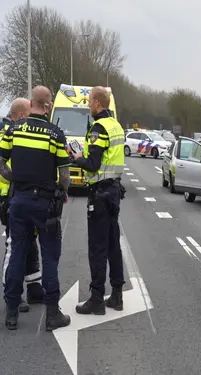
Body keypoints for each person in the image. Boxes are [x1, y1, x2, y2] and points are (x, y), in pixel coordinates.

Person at [0, 86, 71, 330]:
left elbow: (1, 163)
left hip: (18, 201)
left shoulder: (13, 130)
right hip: (45, 204)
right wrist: (61, 191)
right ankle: (52, 314)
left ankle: (11, 314)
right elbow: (64, 174)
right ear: (48, 105)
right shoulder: (55, 134)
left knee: (18, 252)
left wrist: (14, 179)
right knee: (50, 256)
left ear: (31, 103)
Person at [71, 86, 125, 315]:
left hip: (100, 195)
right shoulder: (116, 126)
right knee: (113, 244)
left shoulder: (98, 128)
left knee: (97, 248)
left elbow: (93, 164)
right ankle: (117, 295)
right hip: (113, 192)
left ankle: (96, 299)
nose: (88, 105)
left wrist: (77, 158)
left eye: (89, 101)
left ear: (96, 103)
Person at [0, 98, 44, 313]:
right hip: (9, 196)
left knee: (30, 243)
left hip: (21, 195)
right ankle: (12, 294)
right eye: (30, 114)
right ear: (20, 116)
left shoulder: (20, 132)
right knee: (14, 246)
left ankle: (34, 288)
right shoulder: (9, 134)